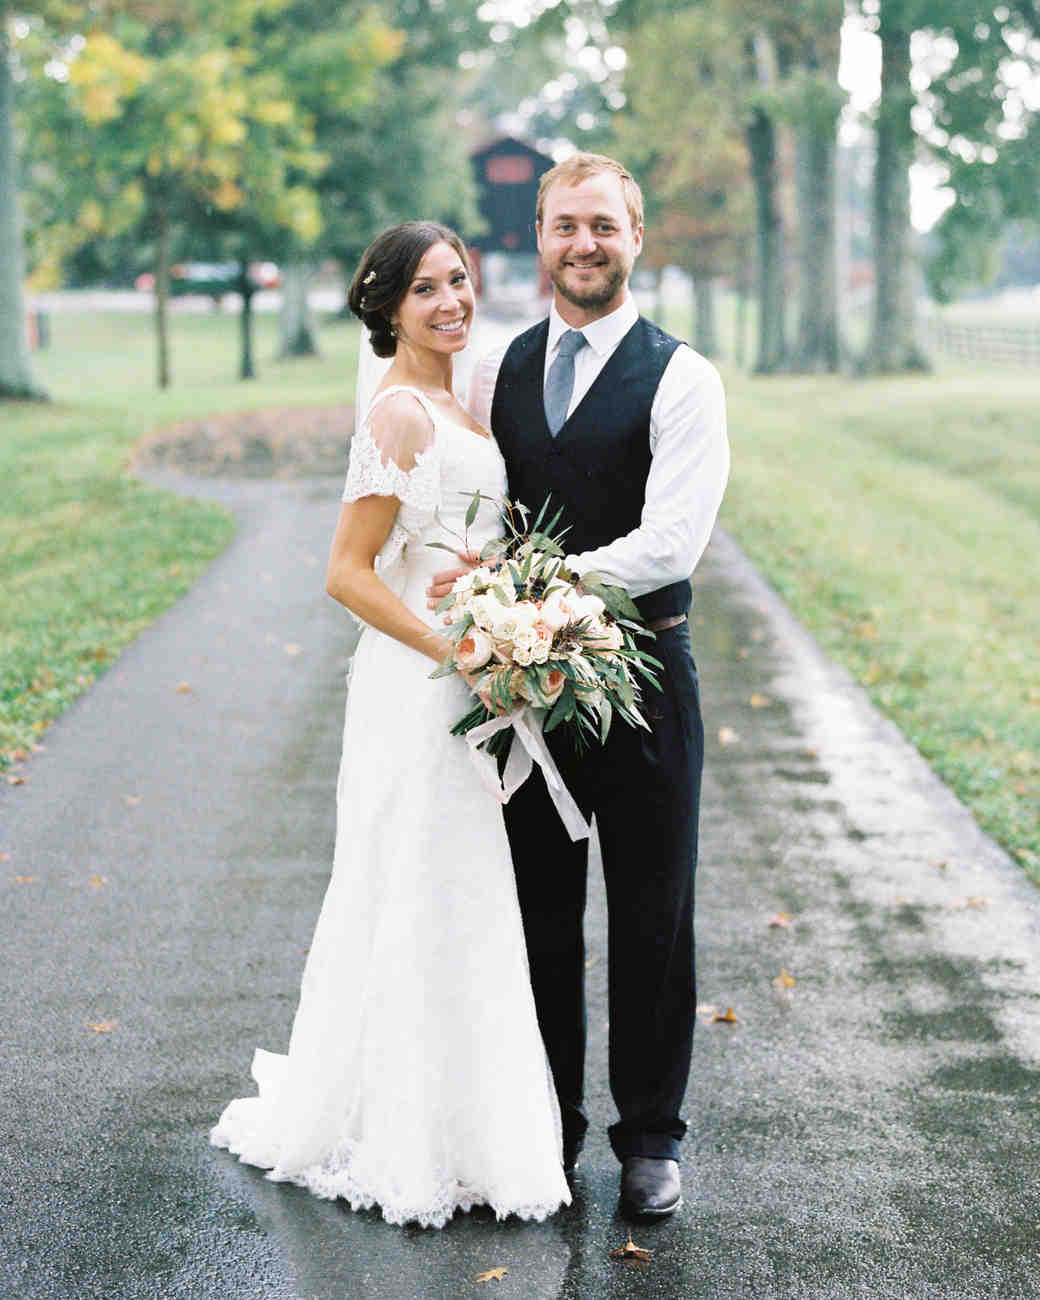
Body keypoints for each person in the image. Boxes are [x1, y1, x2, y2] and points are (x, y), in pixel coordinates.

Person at [209, 222, 571, 1229]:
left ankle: (465, 1124)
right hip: (416, 689)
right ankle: (405, 1134)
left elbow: (454, 541)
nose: (452, 301)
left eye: (458, 280)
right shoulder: (402, 415)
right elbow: (346, 573)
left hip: (461, 678)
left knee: (458, 890)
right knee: (414, 881)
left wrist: (502, 598)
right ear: (386, 308)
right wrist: (455, 646)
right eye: (426, 290)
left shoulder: (461, 402)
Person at [431, 153, 729, 1218]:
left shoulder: (680, 376)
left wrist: (541, 582)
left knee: (653, 915)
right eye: (564, 226)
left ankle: (649, 1138)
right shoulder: (500, 368)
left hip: (646, 673)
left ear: (635, 235)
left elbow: (670, 541)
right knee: (537, 915)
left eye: (602, 225)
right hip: (524, 685)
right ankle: (542, 1131)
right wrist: (487, 596)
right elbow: (478, 507)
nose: (582, 244)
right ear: (541, 236)